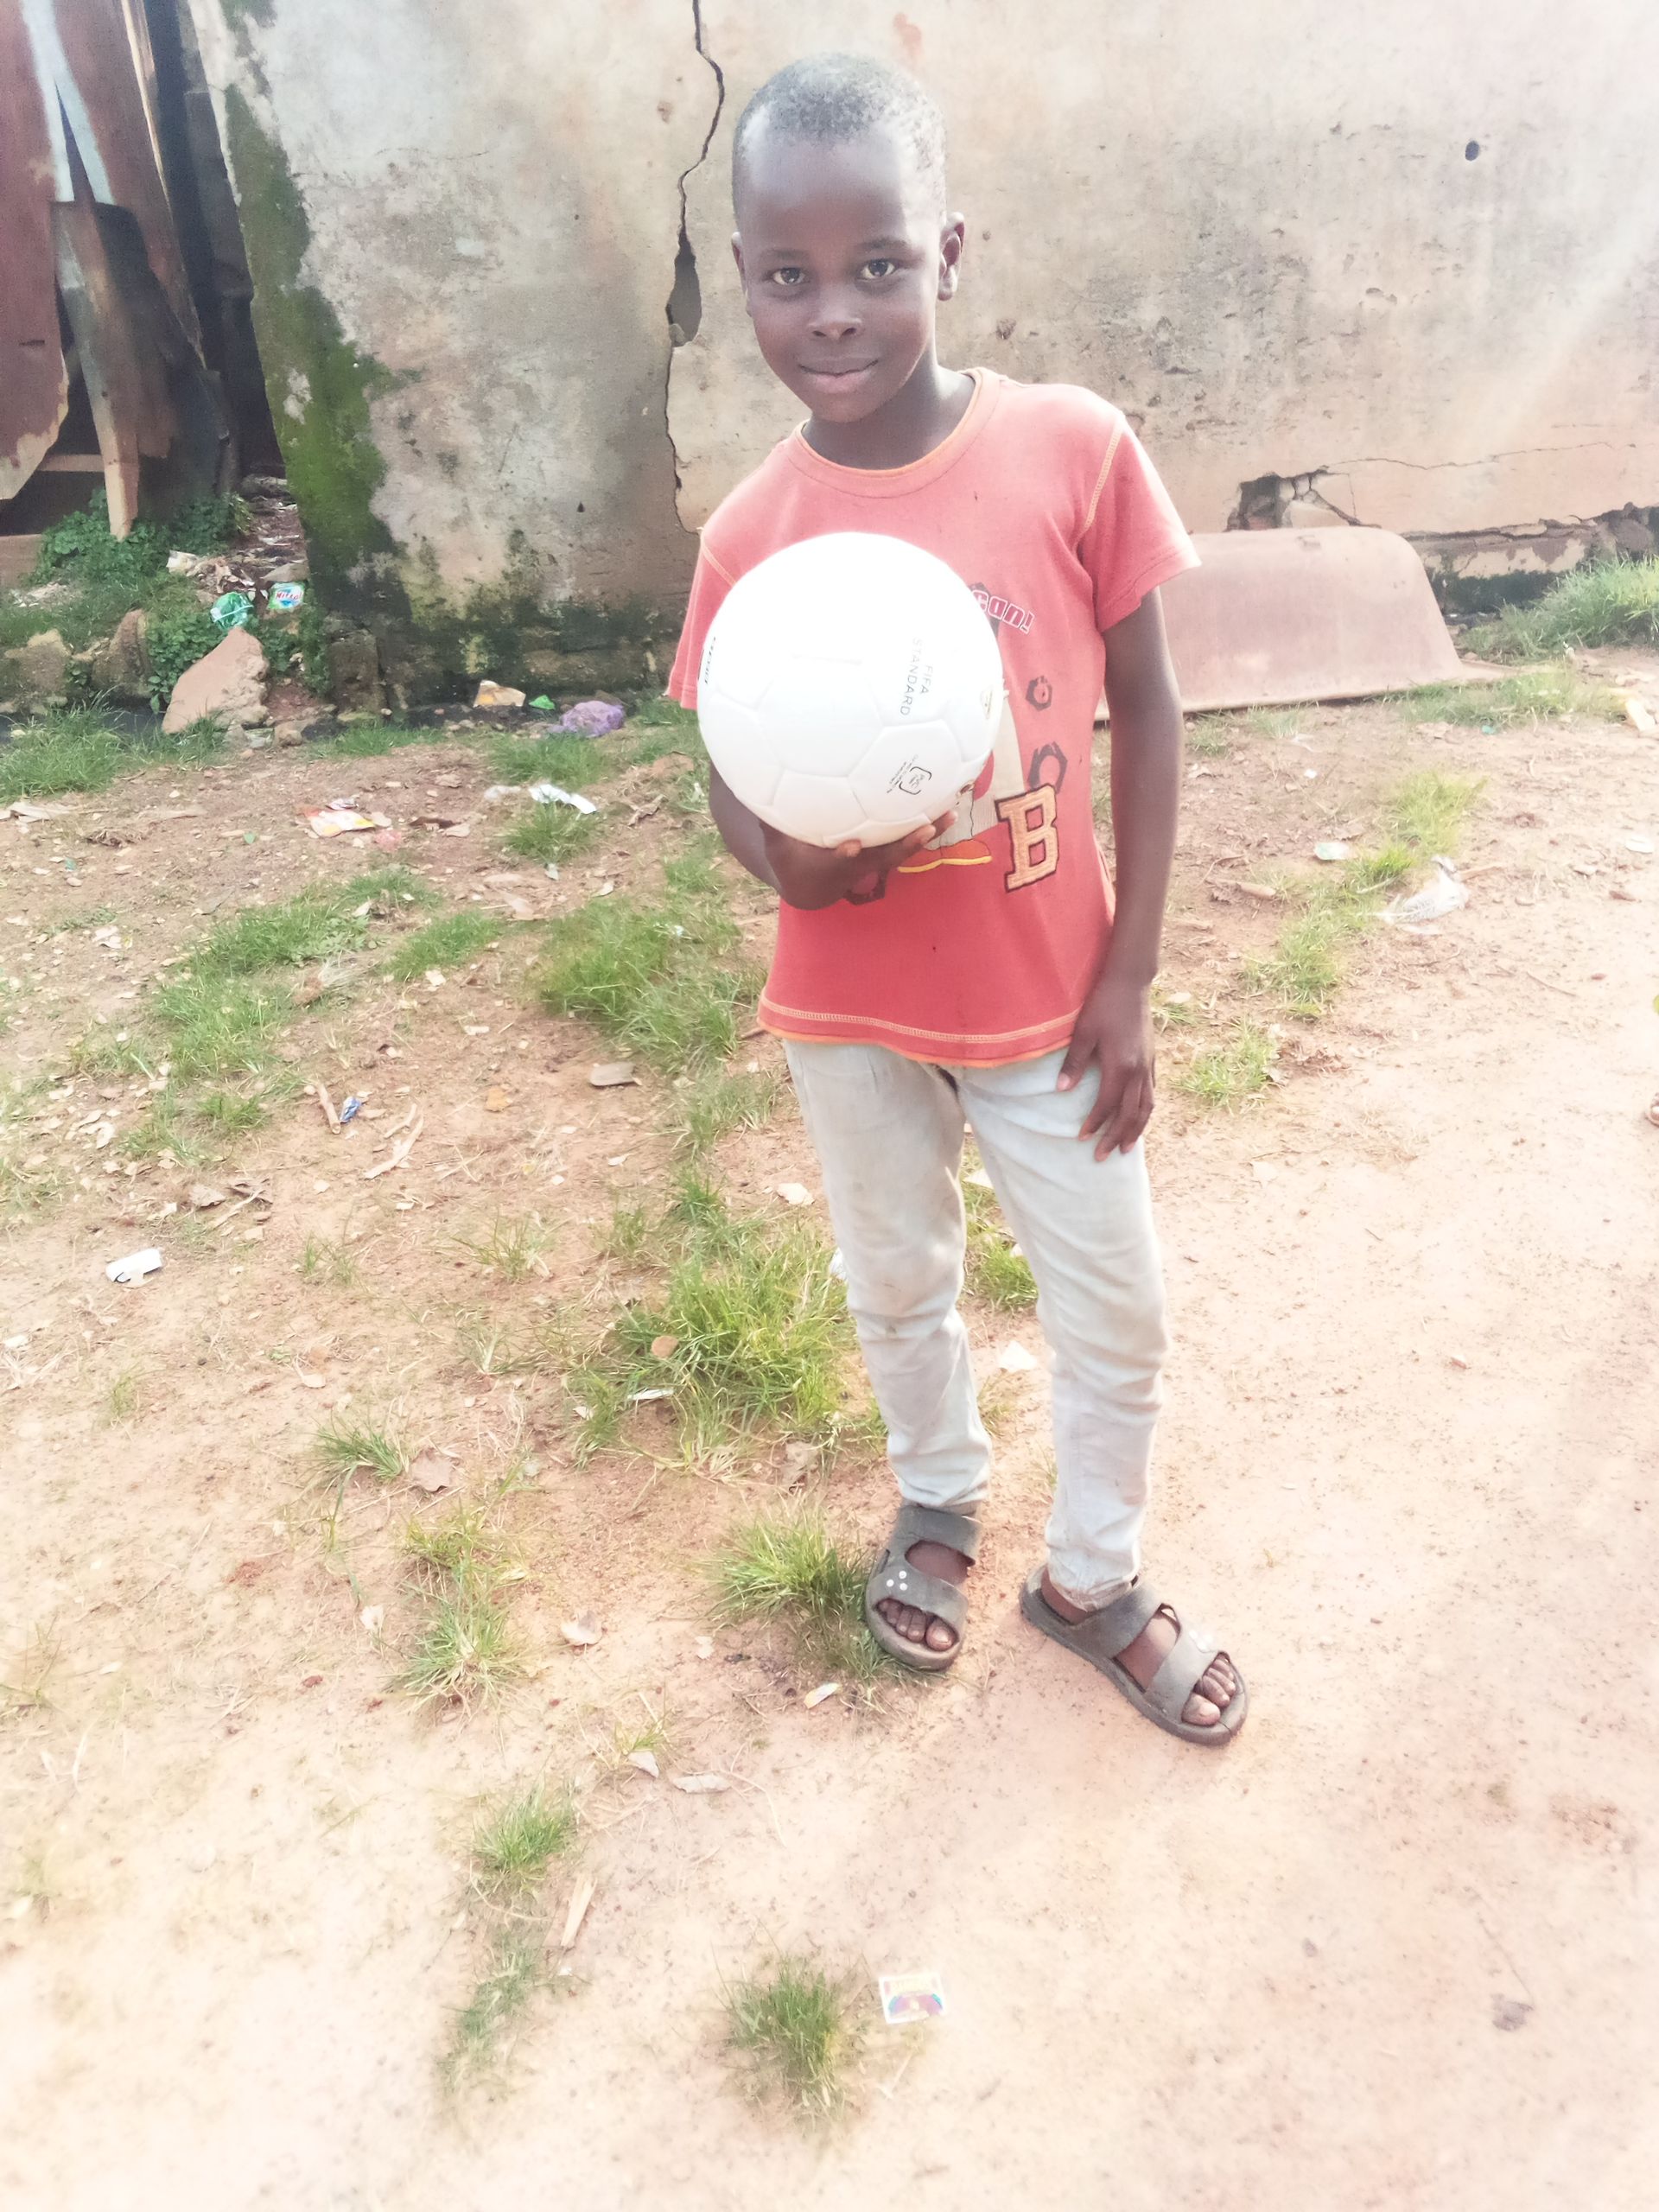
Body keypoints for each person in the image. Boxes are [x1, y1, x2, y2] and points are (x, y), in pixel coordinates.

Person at [667, 53, 1245, 1743]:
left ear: (951, 251)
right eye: (788, 275)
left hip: (1053, 1003)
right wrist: (782, 856)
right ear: (743, 278)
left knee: (1115, 1301)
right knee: (898, 1277)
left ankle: (1096, 1575)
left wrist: (1129, 975)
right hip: (850, 1010)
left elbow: (1150, 708)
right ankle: (937, 1494)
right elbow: (725, 763)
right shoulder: (753, 533)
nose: (833, 311)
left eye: (877, 262)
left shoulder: (1073, 451)